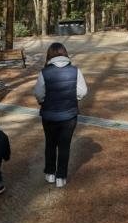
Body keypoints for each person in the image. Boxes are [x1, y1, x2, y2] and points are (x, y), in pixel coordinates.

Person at [33, 42, 87, 188]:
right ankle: (61, 178)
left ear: (49, 55)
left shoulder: (44, 72)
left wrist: (43, 101)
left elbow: (38, 94)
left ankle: (50, 174)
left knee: (50, 144)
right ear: (65, 53)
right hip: (69, 116)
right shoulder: (75, 71)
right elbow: (82, 91)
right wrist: (72, 98)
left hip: (49, 116)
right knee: (65, 146)